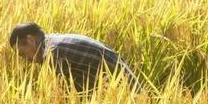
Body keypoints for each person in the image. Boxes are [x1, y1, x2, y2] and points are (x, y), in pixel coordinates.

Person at [9, 22, 141, 93]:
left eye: (22, 54)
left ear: (31, 40)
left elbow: (59, 96)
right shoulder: (52, 41)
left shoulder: (53, 52)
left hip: (127, 94)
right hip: (119, 89)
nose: (26, 60)